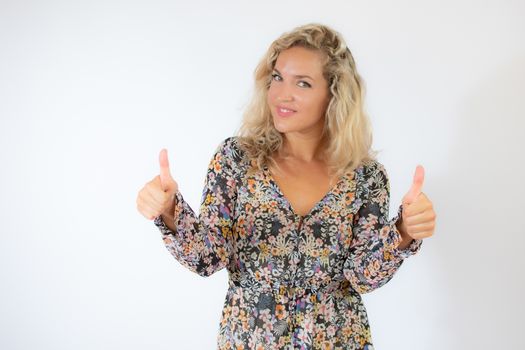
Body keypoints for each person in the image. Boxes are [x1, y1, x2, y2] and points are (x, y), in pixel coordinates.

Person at [136, 23, 436, 350]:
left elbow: (363, 276)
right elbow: (207, 257)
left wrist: (404, 230)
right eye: (277, 78)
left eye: (303, 83)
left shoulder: (365, 177)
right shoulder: (237, 160)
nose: (282, 94)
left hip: (338, 341)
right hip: (251, 341)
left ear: (334, 94)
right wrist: (169, 212)